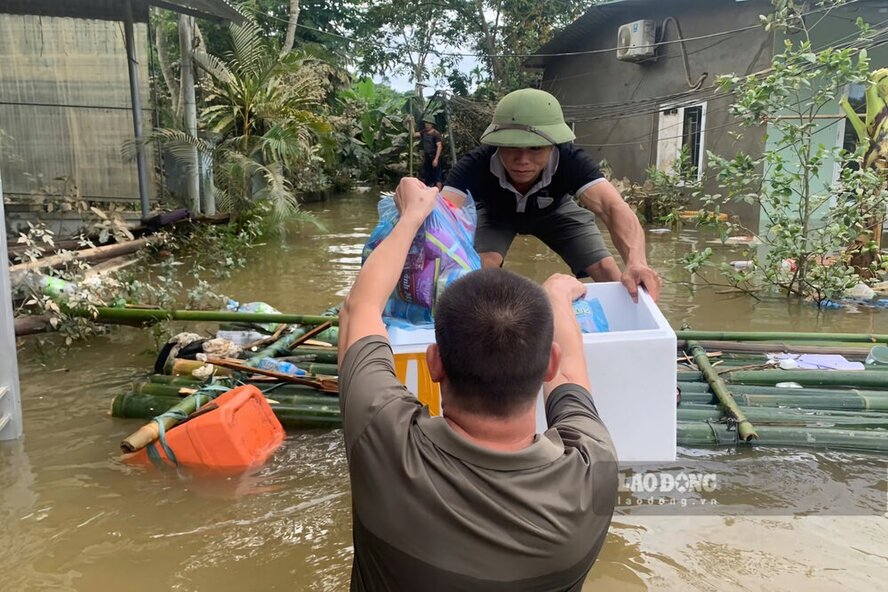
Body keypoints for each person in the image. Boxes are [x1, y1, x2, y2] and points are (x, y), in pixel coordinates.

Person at [338, 176, 618, 591]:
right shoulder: (595, 471)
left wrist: (413, 217)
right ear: (547, 363)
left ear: (435, 364)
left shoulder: (382, 438)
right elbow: (571, 373)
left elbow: (359, 310)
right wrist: (557, 296)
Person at [442, 88, 660, 302]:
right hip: (495, 214)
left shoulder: (571, 160)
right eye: (511, 147)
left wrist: (637, 262)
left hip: (556, 211)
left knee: (605, 268)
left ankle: (631, 326)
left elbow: (613, 208)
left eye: (535, 148)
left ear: (553, 145)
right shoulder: (475, 164)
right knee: (479, 270)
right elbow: (440, 218)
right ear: (498, 144)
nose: (523, 159)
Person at [415, 118, 443, 190]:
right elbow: (414, 135)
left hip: (434, 156)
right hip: (427, 157)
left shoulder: (436, 134)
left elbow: (439, 146)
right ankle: (427, 192)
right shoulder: (424, 132)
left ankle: (439, 194)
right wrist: (411, 123)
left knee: (437, 176)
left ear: (432, 125)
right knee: (426, 175)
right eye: (426, 123)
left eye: (429, 124)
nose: (427, 125)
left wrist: (436, 159)